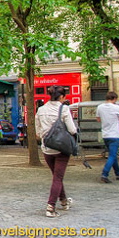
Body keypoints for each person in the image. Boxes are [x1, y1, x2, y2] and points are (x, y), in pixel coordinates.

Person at [35, 85, 77, 218]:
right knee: (58, 177)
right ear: (61, 97)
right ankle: (50, 207)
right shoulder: (64, 109)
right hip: (61, 148)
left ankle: (64, 202)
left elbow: (37, 132)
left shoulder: (41, 109)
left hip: (47, 148)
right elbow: (72, 129)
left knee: (56, 177)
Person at [96, 91, 119, 183]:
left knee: (113, 155)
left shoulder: (100, 107)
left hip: (105, 134)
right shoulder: (116, 107)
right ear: (114, 99)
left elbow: (98, 119)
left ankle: (118, 173)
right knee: (112, 155)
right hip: (114, 134)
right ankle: (105, 174)